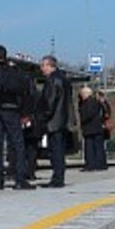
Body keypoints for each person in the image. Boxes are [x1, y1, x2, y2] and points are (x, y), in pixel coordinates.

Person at [0, 44, 34, 190]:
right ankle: (19, 179)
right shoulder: (14, 72)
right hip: (12, 111)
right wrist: (24, 113)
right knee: (17, 144)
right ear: (5, 56)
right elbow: (23, 94)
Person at [34, 55, 71, 188]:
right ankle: (59, 176)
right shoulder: (64, 79)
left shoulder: (52, 80)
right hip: (62, 120)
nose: (41, 69)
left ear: (50, 66)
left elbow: (50, 102)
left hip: (53, 121)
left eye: (43, 66)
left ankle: (57, 178)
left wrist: (43, 117)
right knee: (59, 151)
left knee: (55, 151)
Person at [78, 86, 106, 171]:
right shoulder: (97, 102)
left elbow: (87, 115)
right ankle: (100, 164)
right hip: (97, 127)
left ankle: (90, 164)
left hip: (90, 128)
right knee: (98, 147)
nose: (81, 96)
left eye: (82, 94)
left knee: (90, 147)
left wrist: (82, 120)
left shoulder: (87, 103)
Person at [97, 89, 113, 166]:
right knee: (102, 145)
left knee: (100, 145)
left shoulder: (102, 105)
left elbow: (105, 115)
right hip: (104, 127)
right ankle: (102, 161)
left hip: (102, 126)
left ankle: (101, 161)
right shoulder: (106, 104)